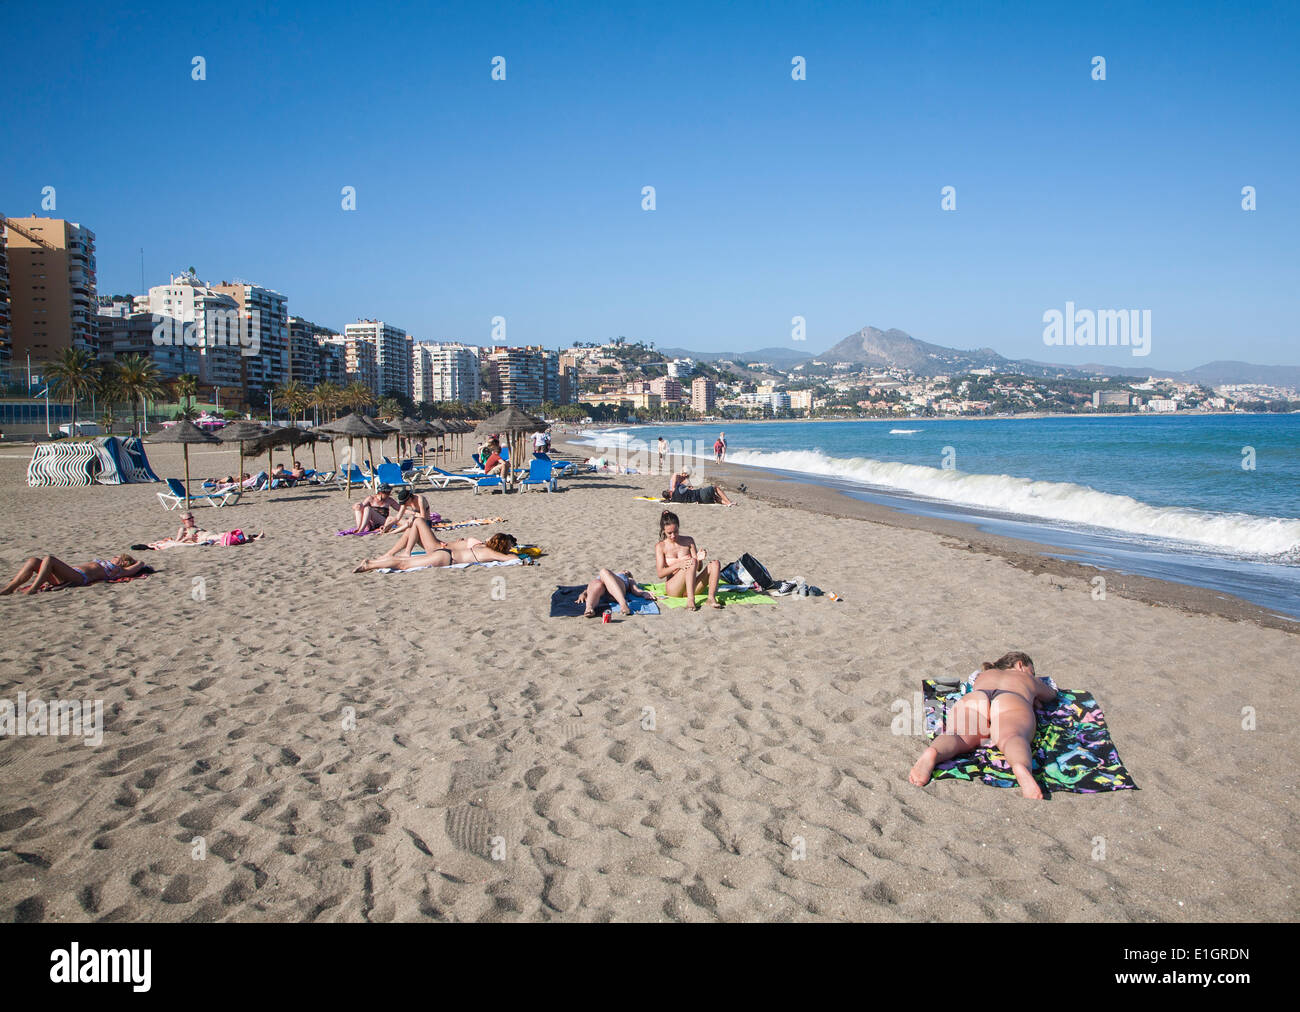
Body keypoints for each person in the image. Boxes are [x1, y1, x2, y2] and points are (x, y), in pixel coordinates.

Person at [908, 651, 1057, 800]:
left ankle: (933, 752)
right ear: (1020, 665)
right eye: (1032, 671)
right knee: (1012, 736)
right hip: (1011, 699)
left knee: (958, 734)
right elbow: (1051, 695)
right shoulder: (1027, 678)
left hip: (977, 696)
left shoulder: (984, 674)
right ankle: (1021, 767)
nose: (1033, 674)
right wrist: (1035, 691)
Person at [354, 518, 518, 572]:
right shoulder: (489, 552)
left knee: (405, 563)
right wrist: (520, 556)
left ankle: (372, 563)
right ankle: (370, 564)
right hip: (445, 557)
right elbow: (509, 558)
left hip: (445, 554)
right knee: (404, 564)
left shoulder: (481, 547)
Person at [655, 510, 721, 610]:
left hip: (692, 585)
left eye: (675, 531)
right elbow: (660, 573)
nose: (673, 535)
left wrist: (699, 560)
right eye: (669, 533)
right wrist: (678, 565)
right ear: (663, 531)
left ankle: (711, 598)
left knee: (715, 564)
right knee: (691, 561)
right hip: (674, 588)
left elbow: (698, 568)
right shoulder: (661, 546)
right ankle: (691, 600)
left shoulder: (688, 540)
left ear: (678, 527)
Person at [2, 553, 148, 595]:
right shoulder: (106, 563)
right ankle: (10, 587)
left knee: (49, 559)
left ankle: (34, 588)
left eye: (117, 557)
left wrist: (127, 563)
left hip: (79, 577)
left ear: (122, 561)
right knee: (34, 561)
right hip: (69, 573)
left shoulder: (118, 570)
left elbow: (140, 563)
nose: (113, 557)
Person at [576, 568, 657, 618]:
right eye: (625, 570)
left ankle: (623, 603)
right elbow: (592, 587)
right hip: (602, 591)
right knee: (597, 582)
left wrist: (643, 593)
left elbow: (635, 590)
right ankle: (589, 608)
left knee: (603, 571)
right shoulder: (610, 575)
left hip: (618, 590)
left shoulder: (628, 579)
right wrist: (584, 593)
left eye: (627, 572)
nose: (625, 571)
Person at [662, 470, 735, 506]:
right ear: (669, 492)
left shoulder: (674, 500)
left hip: (702, 501)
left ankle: (726, 503)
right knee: (715, 488)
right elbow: (674, 474)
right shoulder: (675, 490)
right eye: (669, 490)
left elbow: (685, 489)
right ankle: (729, 502)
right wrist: (681, 474)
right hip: (700, 494)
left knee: (714, 497)